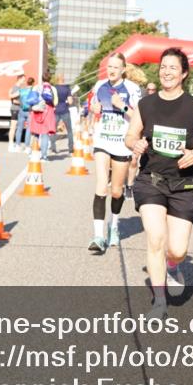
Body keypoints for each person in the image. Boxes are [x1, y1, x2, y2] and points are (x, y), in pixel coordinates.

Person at [126, 47, 193, 320]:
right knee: (155, 239)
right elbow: (131, 136)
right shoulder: (146, 104)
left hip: (183, 185)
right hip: (150, 180)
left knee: (177, 249)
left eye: (173, 68)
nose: (166, 72)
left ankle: (173, 265)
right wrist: (136, 143)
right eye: (163, 67)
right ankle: (159, 301)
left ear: (184, 73)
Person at [88, 53, 142, 253]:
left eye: (115, 67)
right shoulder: (100, 85)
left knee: (117, 191)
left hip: (122, 143)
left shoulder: (132, 89)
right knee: (101, 185)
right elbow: (94, 107)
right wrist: (94, 109)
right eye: (109, 66)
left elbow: (138, 116)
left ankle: (114, 225)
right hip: (102, 140)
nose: (111, 70)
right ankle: (98, 236)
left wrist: (122, 106)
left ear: (123, 69)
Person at [124, 65, 150, 199]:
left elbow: (137, 114)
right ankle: (120, 179)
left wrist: (121, 106)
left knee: (134, 159)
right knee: (123, 160)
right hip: (121, 128)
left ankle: (129, 185)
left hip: (135, 128)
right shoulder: (117, 89)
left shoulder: (141, 92)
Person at [28, 73, 58, 160]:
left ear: (42, 79)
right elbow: (55, 102)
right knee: (45, 134)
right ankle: (44, 156)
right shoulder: (53, 89)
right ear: (50, 79)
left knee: (36, 133)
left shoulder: (36, 87)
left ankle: (34, 152)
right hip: (48, 111)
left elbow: (31, 100)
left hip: (37, 111)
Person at [51, 73, 74, 156]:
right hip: (65, 110)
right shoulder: (67, 88)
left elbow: (51, 100)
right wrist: (66, 103)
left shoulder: (53, 88)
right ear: (63, 79)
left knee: (53, 130)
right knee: (69, 130)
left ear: (57, 79)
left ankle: (53, 148)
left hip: (55, 111)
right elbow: (70, 101)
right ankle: (71, 150)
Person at [7, 74, 26, 152]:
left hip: (17, 109)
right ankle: (11, 144)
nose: (24, 81)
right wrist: (23, 103)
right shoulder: (16, 88)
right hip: (15, 109)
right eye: (23, 79)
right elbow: (13, 99)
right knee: (13, 127)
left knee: (17, 127)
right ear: (19, 79)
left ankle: (14, 144)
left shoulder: (17, 88)